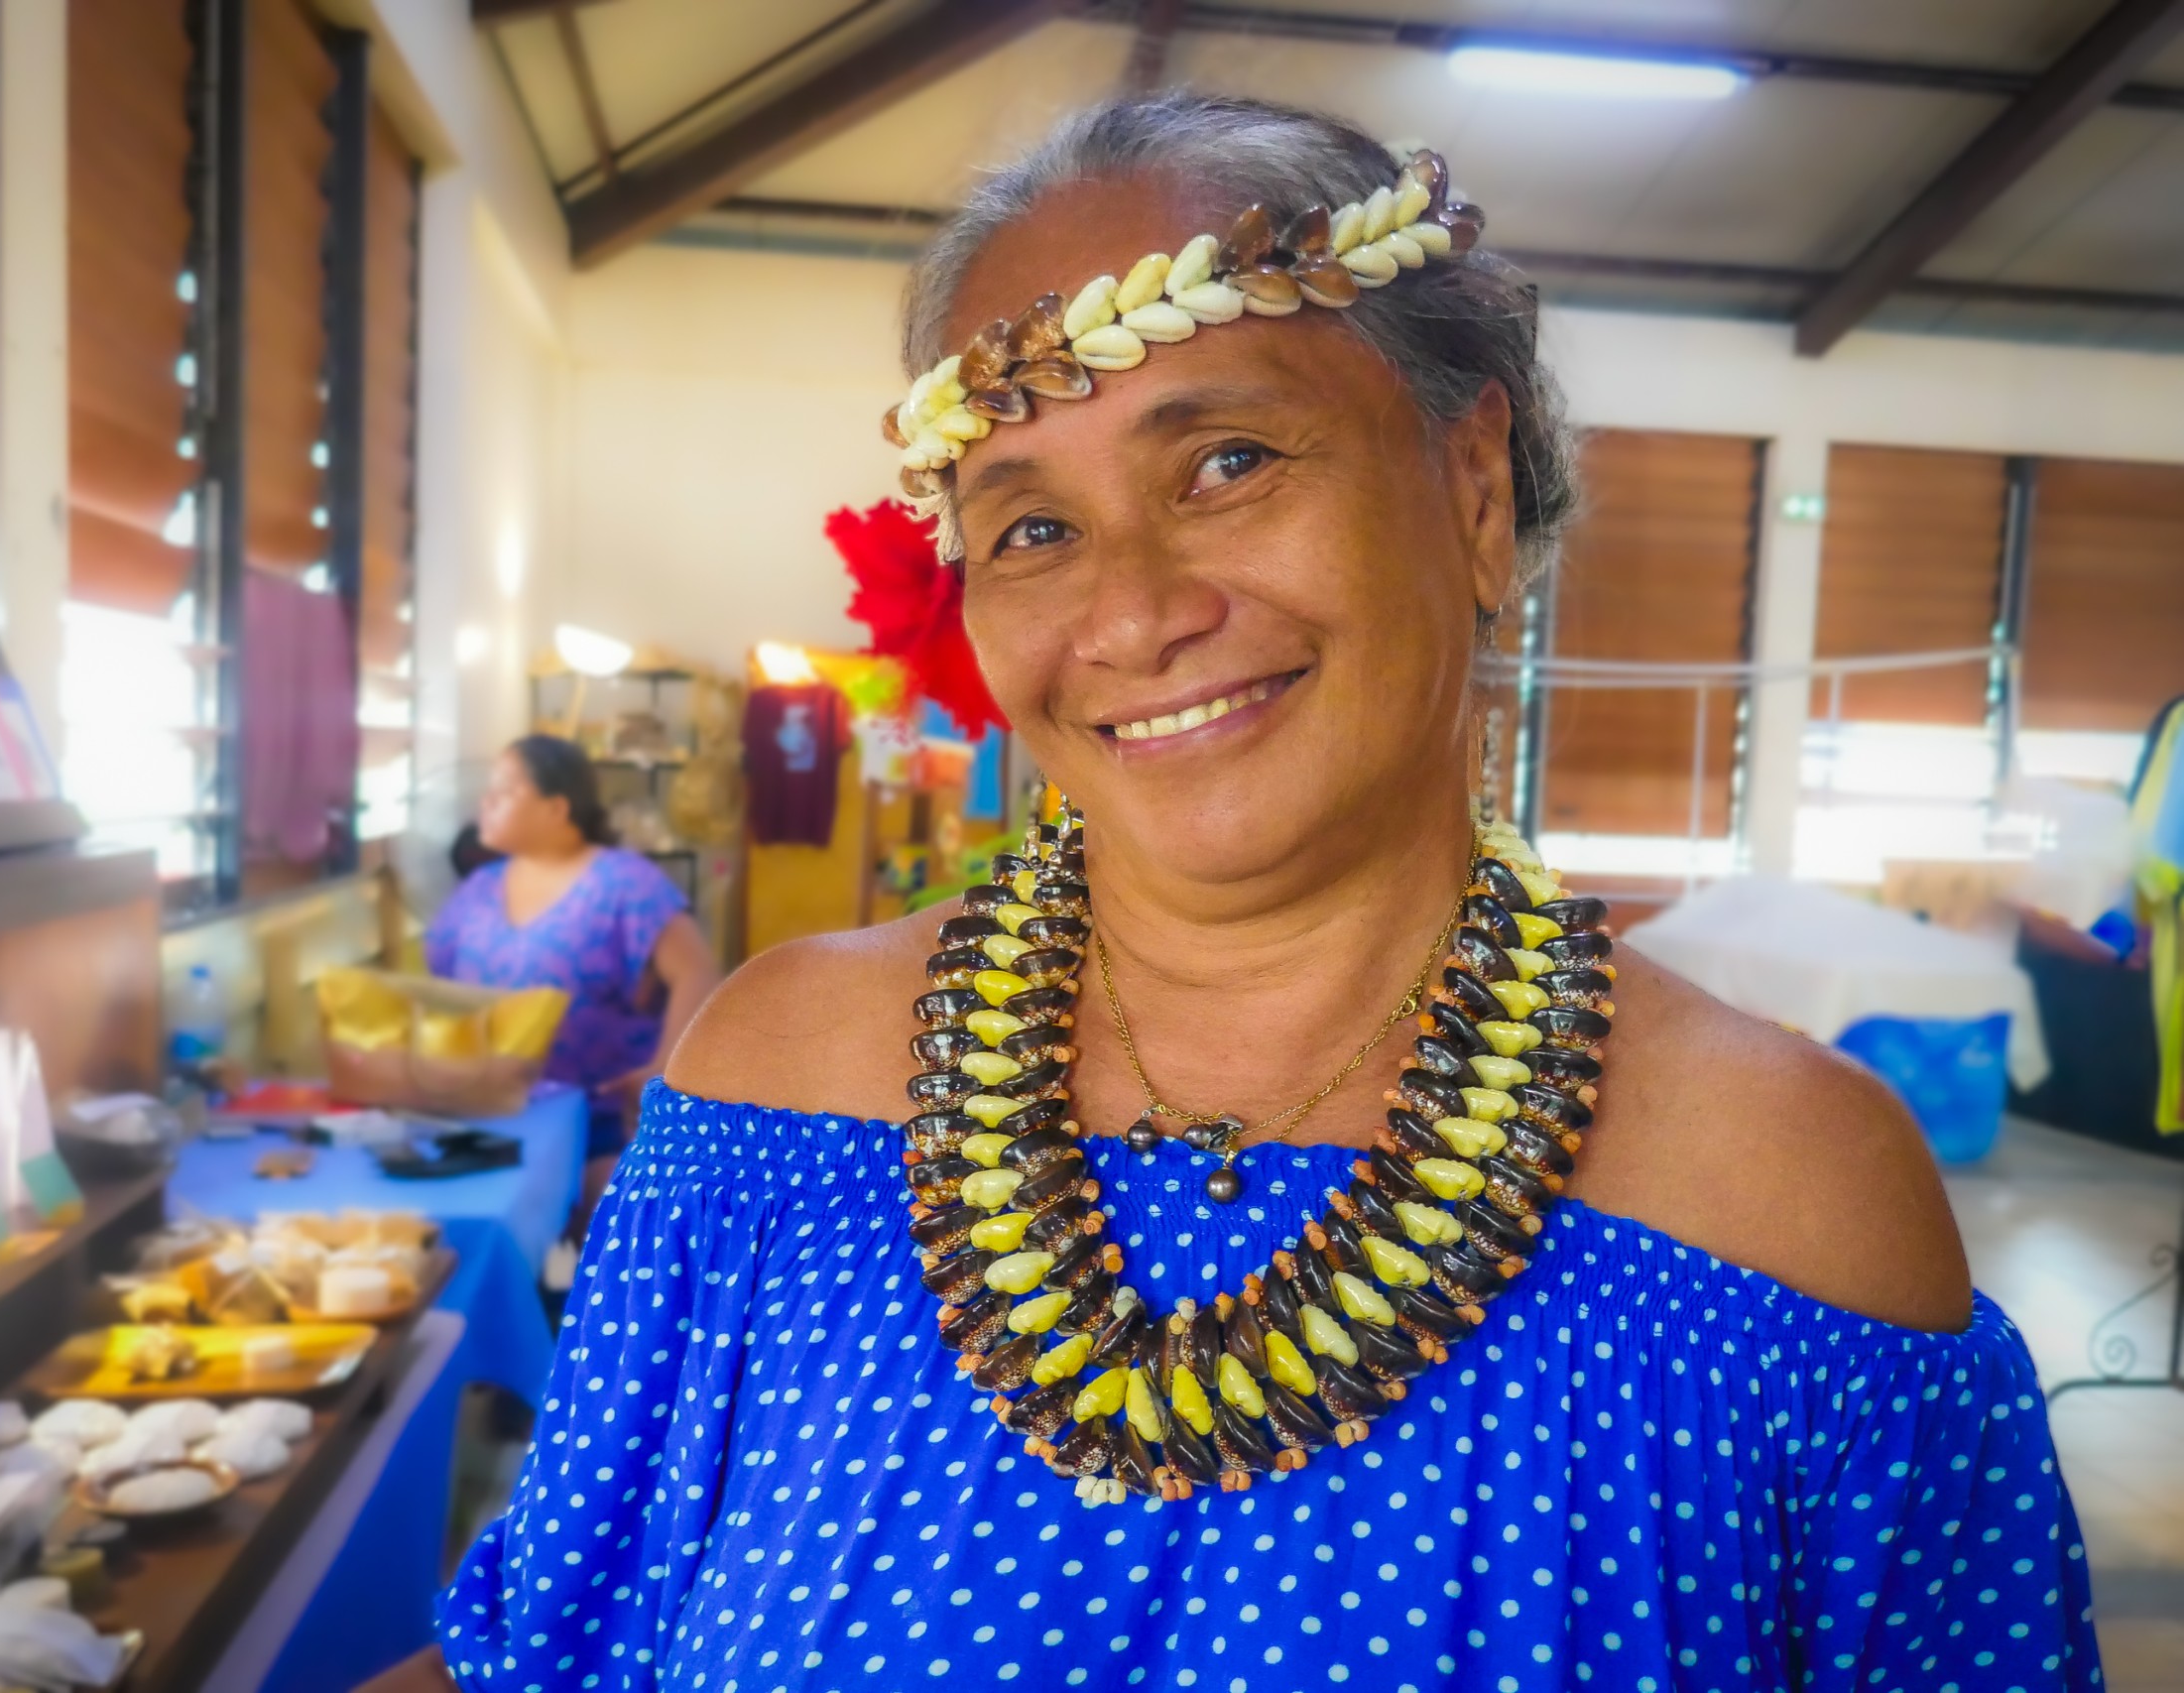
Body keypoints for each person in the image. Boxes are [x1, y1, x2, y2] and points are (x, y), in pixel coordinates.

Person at [428, 95, 2097, 1689]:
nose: (1134, 613)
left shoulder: (1791, 1200)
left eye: (1226, 459)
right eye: (1027, 531)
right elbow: (538, 1658)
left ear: (1474, 489)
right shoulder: (769, 1088)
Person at [424, 735, 717, 1225]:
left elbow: (697, 972)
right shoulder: (478, 890)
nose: (486, 802)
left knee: (611, 1250)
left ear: (557, 808)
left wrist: (666, 1069)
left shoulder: (624, 882)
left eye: (506, 790)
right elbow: (442, 993)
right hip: (489, 1120)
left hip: (599, 1125)